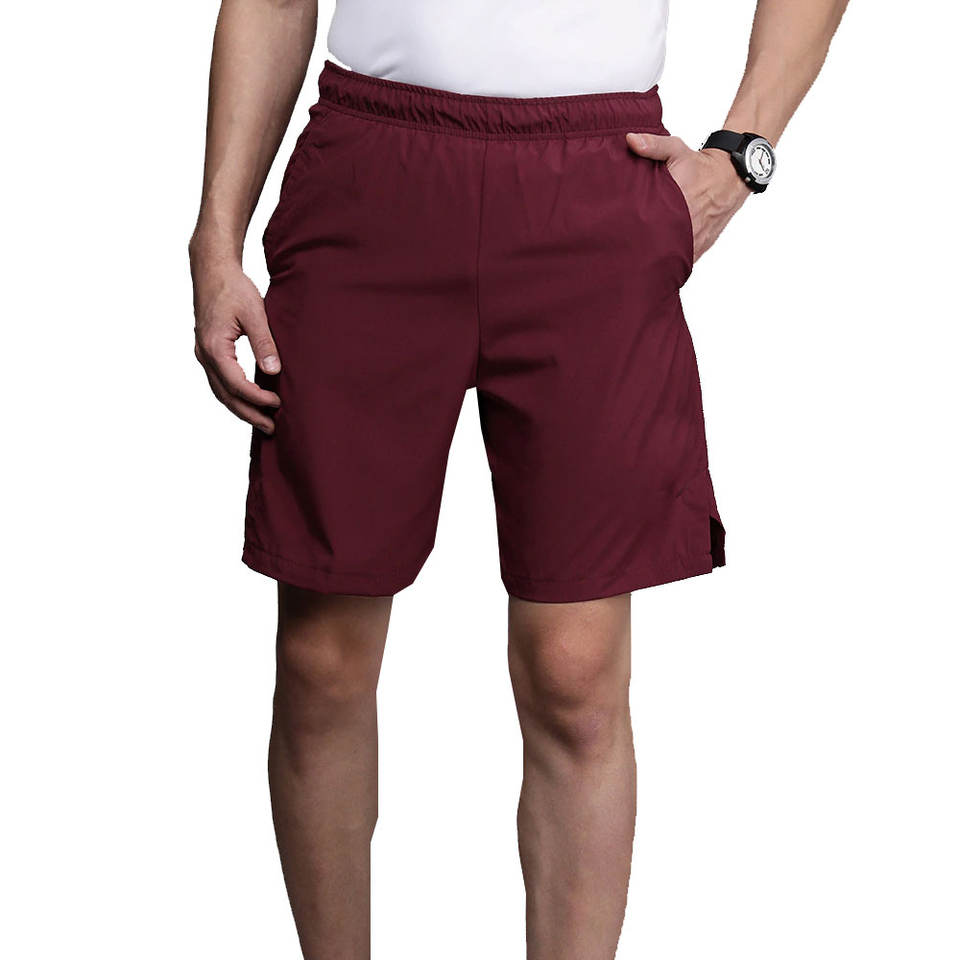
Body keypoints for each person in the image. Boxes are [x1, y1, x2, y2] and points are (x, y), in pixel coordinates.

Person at [189, 1, 848, 956]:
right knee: (322, 656)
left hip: (595, 177)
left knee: (575, 673)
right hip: (372, 176)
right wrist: (216, 239)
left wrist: (740, 153)